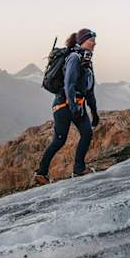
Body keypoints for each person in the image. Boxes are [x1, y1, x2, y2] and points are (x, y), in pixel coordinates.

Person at [34, 28, 99, 184]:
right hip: (63, 105)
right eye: (91, 40)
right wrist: (72, 106)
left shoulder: (87, 62)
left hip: (78, 105)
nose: (94, 43)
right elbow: (68, 84)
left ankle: (79, 168)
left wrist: (94, 112)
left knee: (87, 133)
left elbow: (89, 90)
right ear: (83, 41)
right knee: (59, 140)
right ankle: (40, 173)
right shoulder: (74, 58)